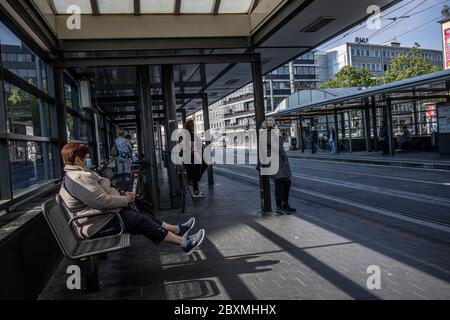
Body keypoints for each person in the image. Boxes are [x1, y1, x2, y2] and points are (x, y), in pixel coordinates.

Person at [59, 142, 205, 255]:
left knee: (140, 215)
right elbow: (102, 201)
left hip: (100, 218)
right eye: (86, 157)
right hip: (97, 224)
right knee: (140, 220)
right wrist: (125, 200)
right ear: (78, 160)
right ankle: (185, 243)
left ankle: (177, 230)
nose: (88, 159)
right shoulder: (78, 178)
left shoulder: (77, 174)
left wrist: (123, 196)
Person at [260, 118, 296, 215]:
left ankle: (285, 204)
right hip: (276, 164)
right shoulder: (267, 135)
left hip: (281, 164)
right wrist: (279, 136)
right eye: (275, 125)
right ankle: (279, 207)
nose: (277, 126)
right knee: (280, 185)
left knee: (287, 183)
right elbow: (277, 148)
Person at [184, 119, 207, 198]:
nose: (194, 126)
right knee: (196, 174)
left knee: (195, 174)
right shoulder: (191, 135)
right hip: (194, 158)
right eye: (193, 125)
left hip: (190, 158)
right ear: (191, 126)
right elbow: (193, 148)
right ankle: (196, 192)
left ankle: (196, 190)